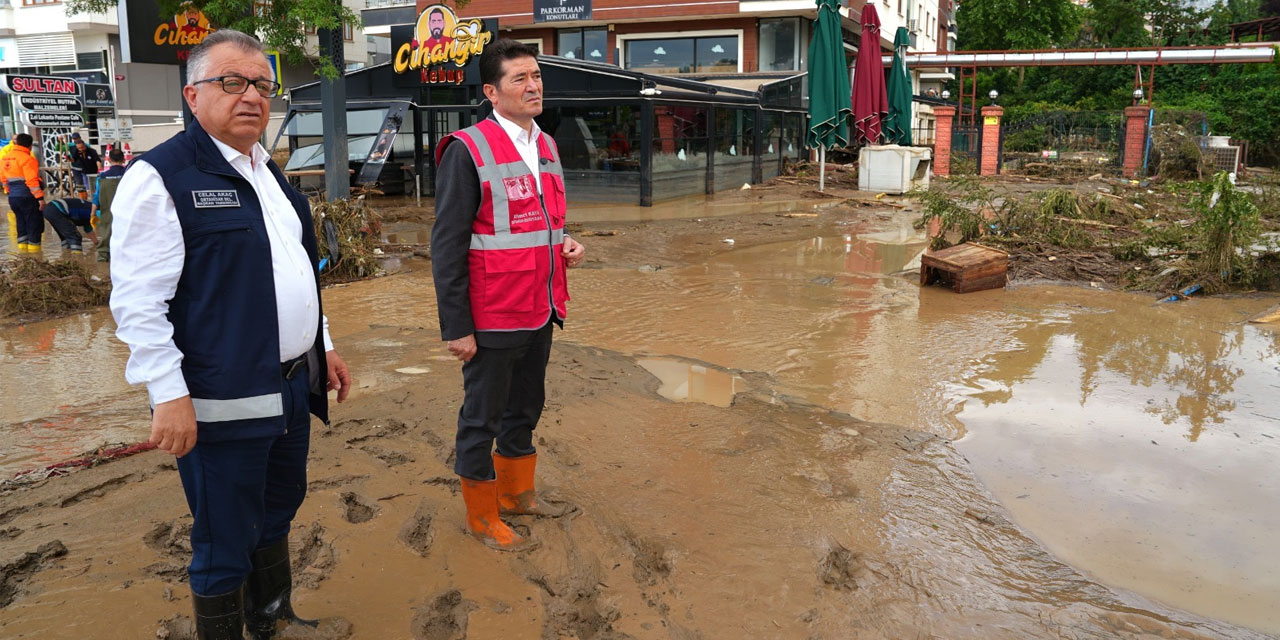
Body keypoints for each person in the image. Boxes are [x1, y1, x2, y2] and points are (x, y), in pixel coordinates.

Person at [109, 29, 352, 640]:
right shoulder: (161, 177)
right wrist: (167, 393)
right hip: (222, 400)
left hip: (294, 387)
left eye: (263, 85)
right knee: (222, 535)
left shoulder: (270, 174)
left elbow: (299, 272)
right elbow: (138, 302)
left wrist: (323, 347)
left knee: (277, 511)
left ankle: (272, 620)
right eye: (232, 83)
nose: (251, 97)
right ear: (193, 95)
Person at [430, 39, 586, 552]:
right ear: (492, 93)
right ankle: (481, 514)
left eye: (536, 76)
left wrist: (565, 242)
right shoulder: (467, 149)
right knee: (482, 417)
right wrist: (456, 327)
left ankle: (518, 495)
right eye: (519, 79)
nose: (533, 85)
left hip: (540, 308)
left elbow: (537, 223)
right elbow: (447, 245)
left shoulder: (546, 144)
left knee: (525, 409)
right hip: (492, 315)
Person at [2, 133, 45, 254]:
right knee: (34, 224)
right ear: (30, 146)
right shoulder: (28, 159)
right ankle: (36, 257)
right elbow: (32, 181)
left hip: (13, 197)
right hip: (27, 196)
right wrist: (40, 198)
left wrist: (9, 191)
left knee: (21, 224)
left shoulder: (5, 157)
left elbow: (3, 179)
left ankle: (23, 255)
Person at [92, 148, 126, 262]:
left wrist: (92, 213)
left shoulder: (102, 177)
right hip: (127, 209)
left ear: (109, 160)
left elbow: (96, 196)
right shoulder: (129, 174)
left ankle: (103, 256)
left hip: (108, 211)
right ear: (124, 159)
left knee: (107, 229)